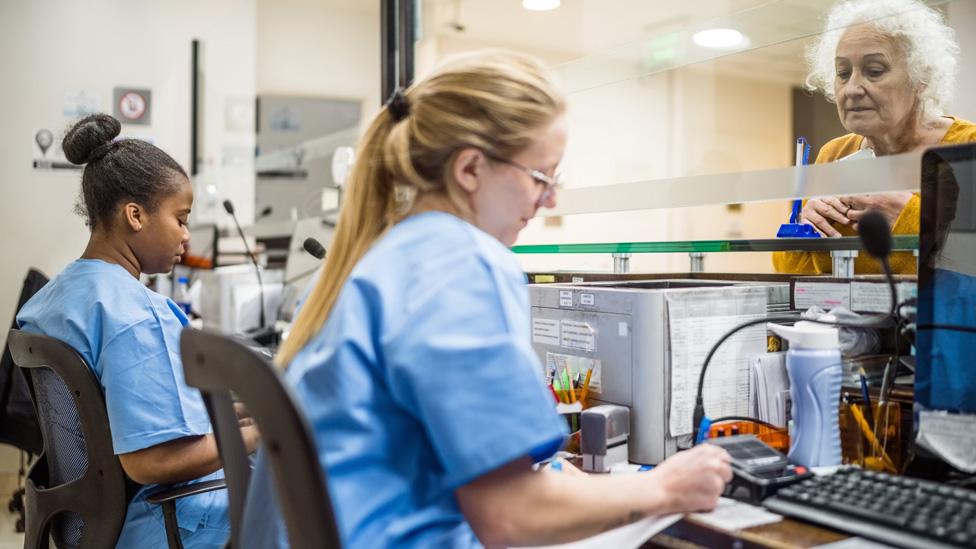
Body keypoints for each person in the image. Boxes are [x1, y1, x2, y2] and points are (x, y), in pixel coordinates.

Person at [241, 50, 731, 549]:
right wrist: (664, 486)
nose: (551, 200)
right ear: (471, 169)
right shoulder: (462, 262)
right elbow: (510, 516)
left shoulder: (377, 259)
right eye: (542, 177)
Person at [17, 114, 259, 548]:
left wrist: (242, 416)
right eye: (180, 219)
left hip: (88, 519)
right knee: (313, 491)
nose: (186, 236)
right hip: (160, 520)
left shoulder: (60, 297)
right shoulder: (136, 315)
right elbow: (153, 460)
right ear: (135, 215)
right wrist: (264, 433)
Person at [773, 0, 976, 275]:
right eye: (843, 74)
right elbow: (793, 274)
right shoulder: (833, 154)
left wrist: (913, 218)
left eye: (874, 71)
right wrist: (802, 230)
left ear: (922, 77)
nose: (852, 88)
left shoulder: (967, 147)